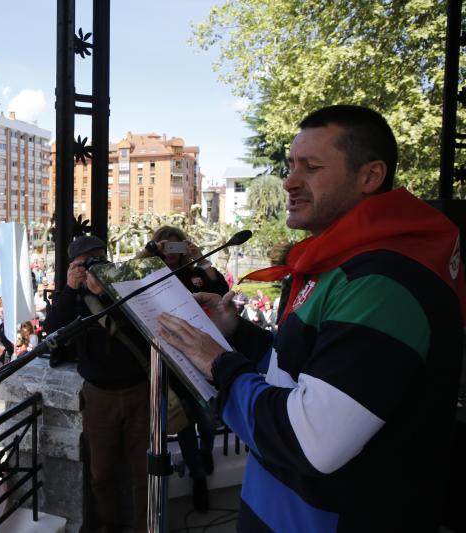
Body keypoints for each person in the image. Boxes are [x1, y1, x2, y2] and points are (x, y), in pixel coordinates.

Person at [157, 105, 466, 532]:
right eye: (291, 166)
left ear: (370, 177)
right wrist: (238, 337)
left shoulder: (382, 284)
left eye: (312, 167)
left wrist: (218, 363)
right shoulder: (334, 264)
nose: (289, 181)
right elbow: (303, 369)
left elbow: (310, 441)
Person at [42, 235, 149, 532]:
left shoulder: (124, 286)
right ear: (73, 266)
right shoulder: (73, 299)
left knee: (143, 472)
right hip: (100, 396)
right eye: (84, 262)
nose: (92, 267)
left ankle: (144, 527)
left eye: (97, 260)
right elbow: (52, 330)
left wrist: (105, 292)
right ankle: (109, 526)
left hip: (139, 391)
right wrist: (71, 287)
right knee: (101, 473)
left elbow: (142, 323)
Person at [137, 225, 224, 511]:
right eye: (164, 245)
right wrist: (147, 253)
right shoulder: (150, 273)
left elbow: (221, 291)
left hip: (201, 356)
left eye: (176, 246)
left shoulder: (194, 274)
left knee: (208, 418)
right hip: (170, 362)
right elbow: (124, 280)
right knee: (185, 423)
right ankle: (197, 476)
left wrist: (202, 260)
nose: (170, 251)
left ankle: (206, 450)